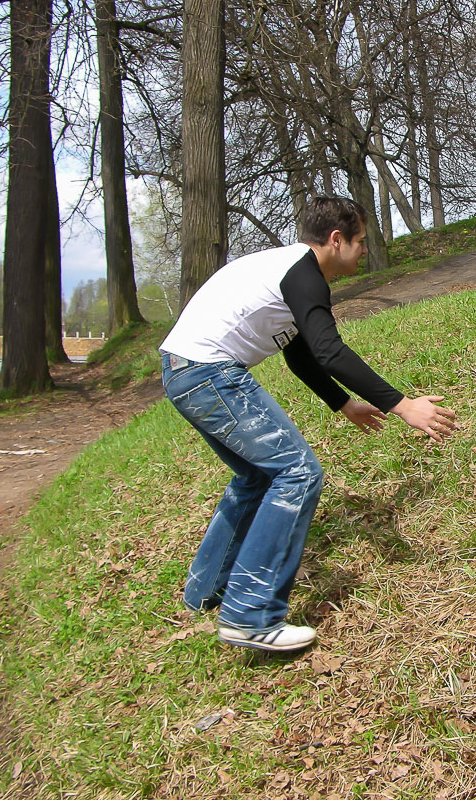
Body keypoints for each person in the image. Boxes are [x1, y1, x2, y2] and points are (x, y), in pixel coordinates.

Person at [159, 196, 456, 652]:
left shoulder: (293, 272)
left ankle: (207, 591)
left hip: (183, 369)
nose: (363, 251)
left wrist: (344, 404)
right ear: (336, 241)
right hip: (208, 372)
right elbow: (329, 350)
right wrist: (401, 405)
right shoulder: (303, 274)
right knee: (298, 472)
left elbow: (300, 353)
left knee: (256, 477)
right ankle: (251, 615)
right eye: (359, 242)